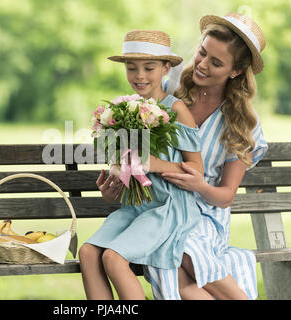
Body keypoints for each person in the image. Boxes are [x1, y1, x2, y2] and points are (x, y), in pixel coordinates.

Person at [147, 12, 268, 300]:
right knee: (169, 263)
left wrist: (198, 185)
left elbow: (225, 196)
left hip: (205, 217)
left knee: (178, 247)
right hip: (163, 207)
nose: (202, 64)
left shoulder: (240, 122)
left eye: (216, 63)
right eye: (202, 53)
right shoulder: (170, 90)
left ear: (235, 71)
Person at [79, 29, 205, 300]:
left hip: (168, 209)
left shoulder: (176, 110)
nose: (139, 76)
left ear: (166, 68)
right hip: (135, 207)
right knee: (88, 253)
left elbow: (198, 172)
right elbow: (127, 166)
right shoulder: (123, 111)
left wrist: (154, 163)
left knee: (113, 258)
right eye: (132, 68)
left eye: (149, 67)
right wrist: (114, 184)